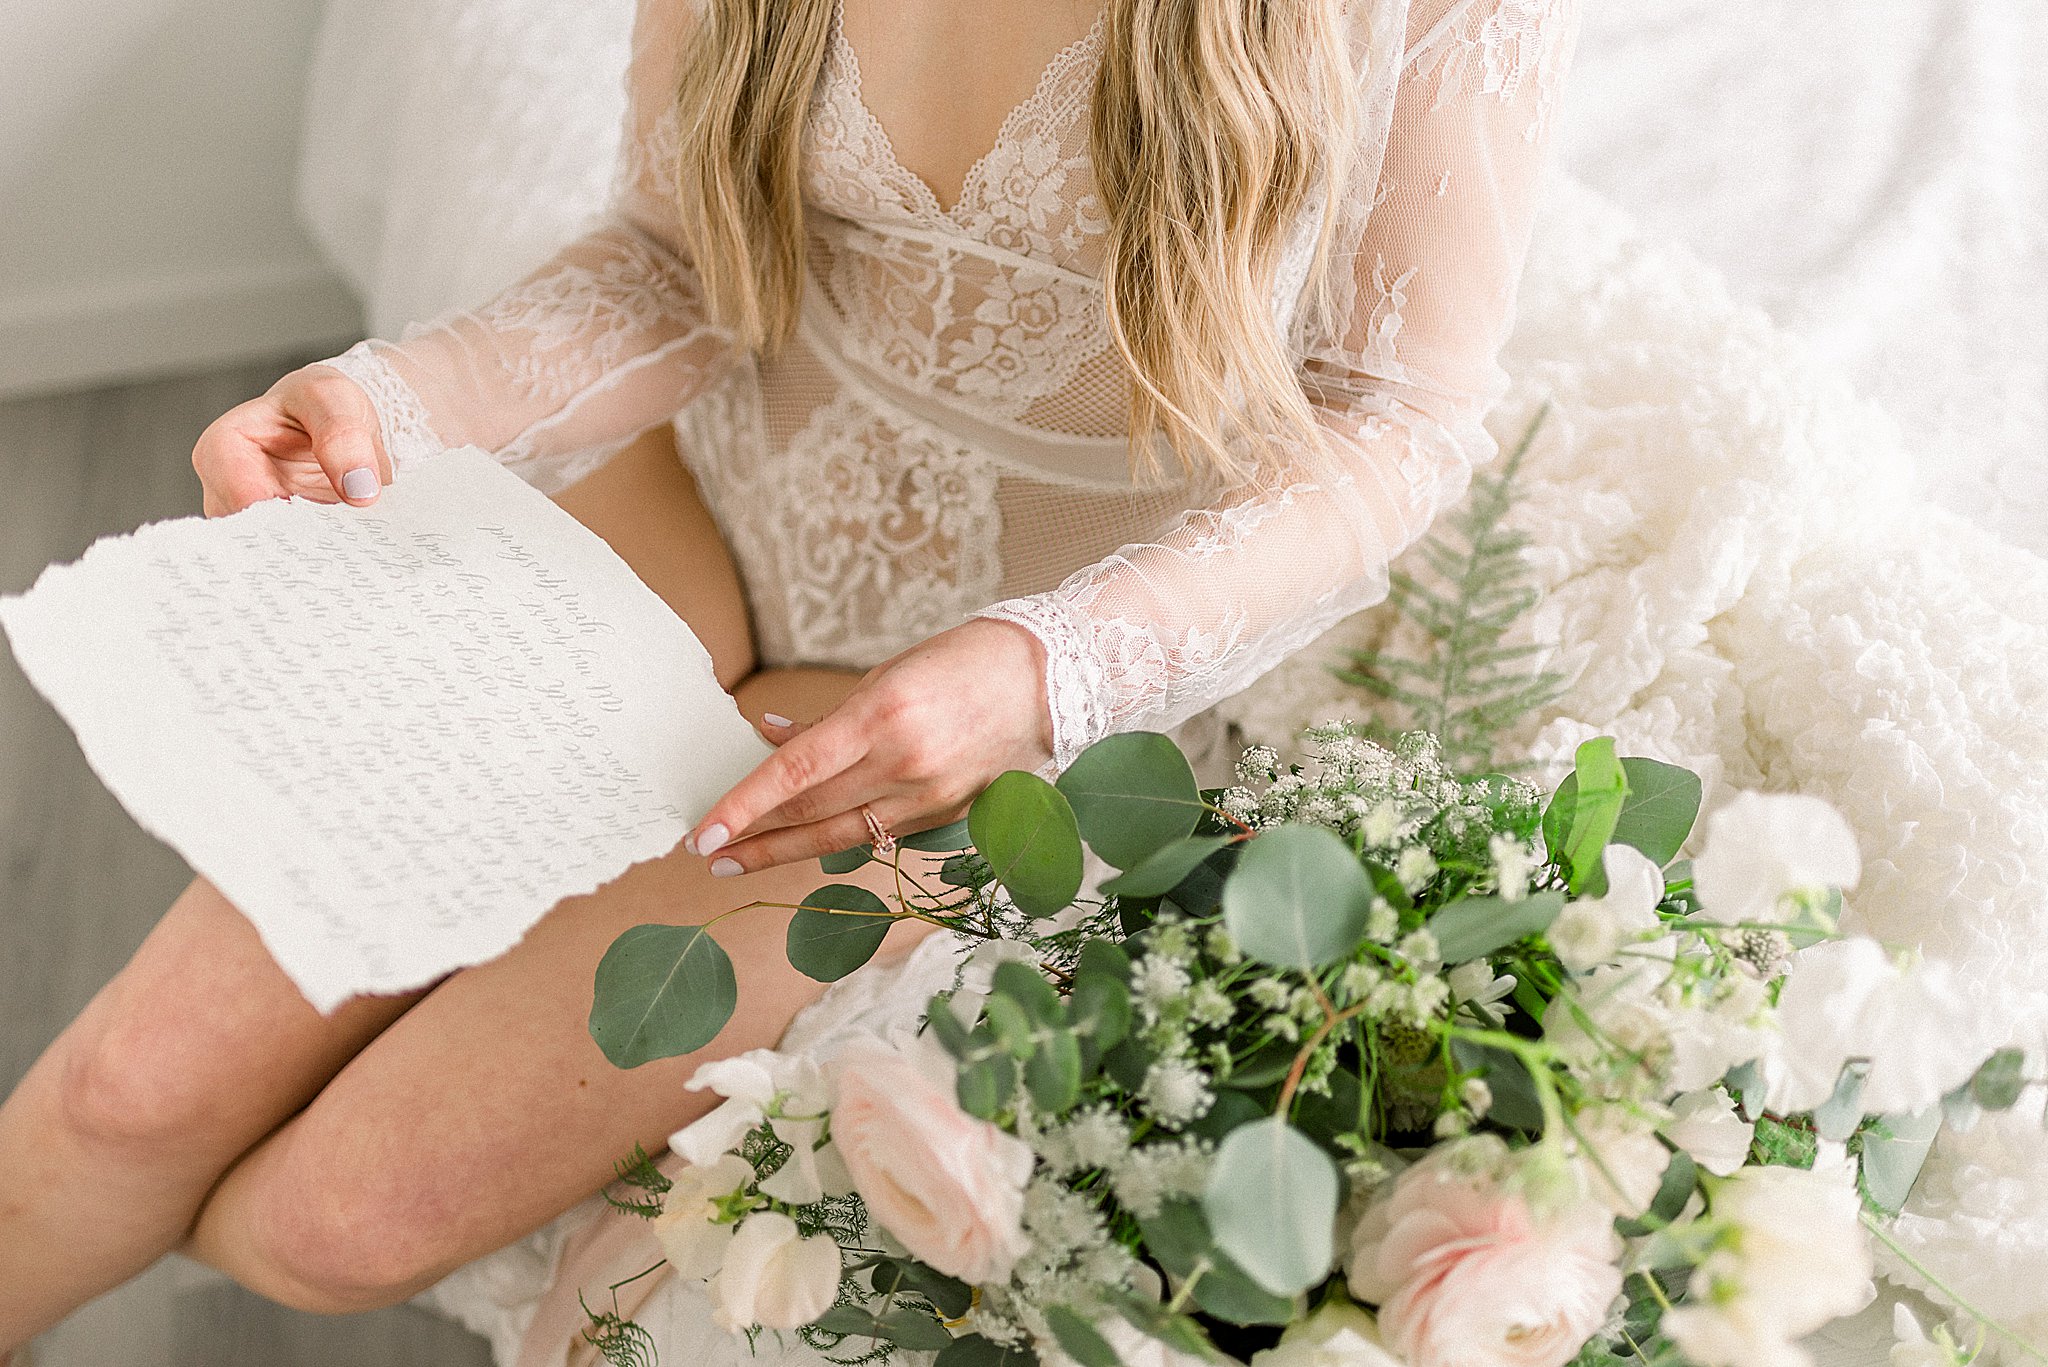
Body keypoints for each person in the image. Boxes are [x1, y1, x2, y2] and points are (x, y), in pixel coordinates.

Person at [0, 0, 1579, 1357]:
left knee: (339, 1225)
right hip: (705, 507)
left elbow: (1397, 419)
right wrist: (389, 401)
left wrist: (1050, 670)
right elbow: (680, 259)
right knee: (134, 1091)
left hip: (990, 699)